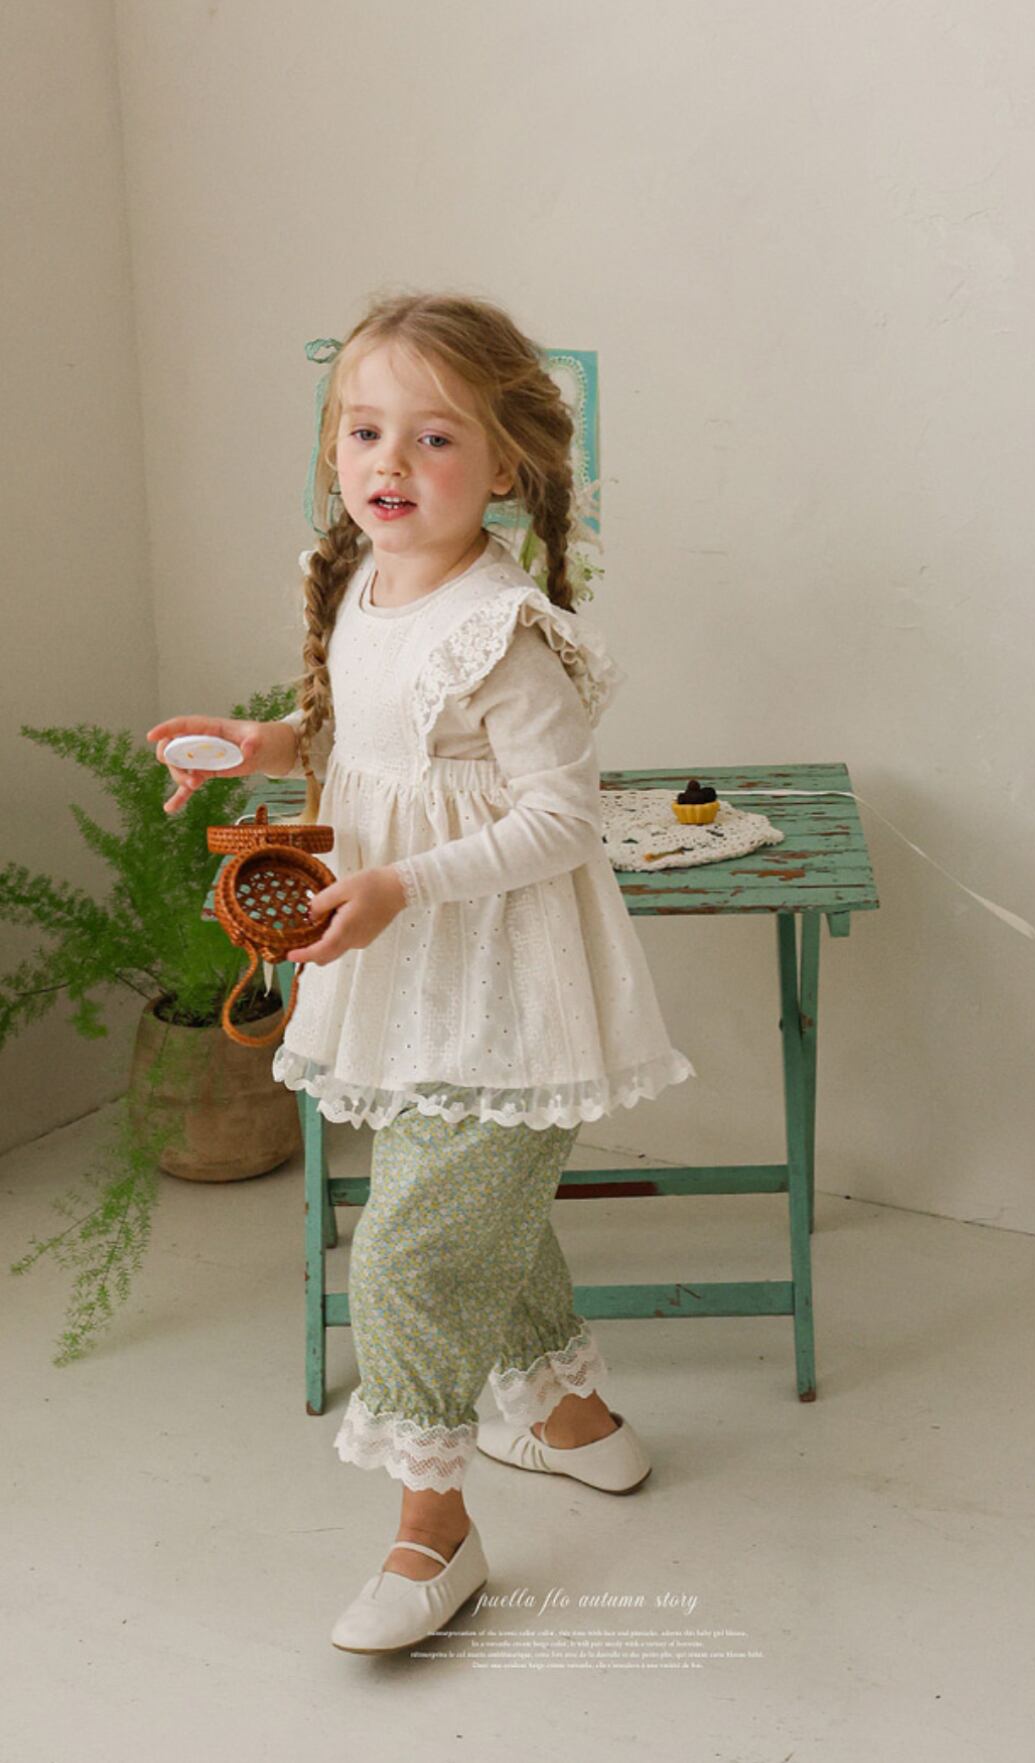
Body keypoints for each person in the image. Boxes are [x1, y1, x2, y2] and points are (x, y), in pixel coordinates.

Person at [145, 290, 696, 1654]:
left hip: (503, 986)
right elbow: (360, 731)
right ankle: (576, 1424)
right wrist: (268, 745)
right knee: (473, 1211)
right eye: (364, 429)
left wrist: (401, 885)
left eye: (434, 437)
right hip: (405, 985)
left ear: (505, 465)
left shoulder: (503, 629)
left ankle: (432, 1528)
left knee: (407, 1250)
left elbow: (561, 819)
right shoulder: (357, 580)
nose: (388, 462)